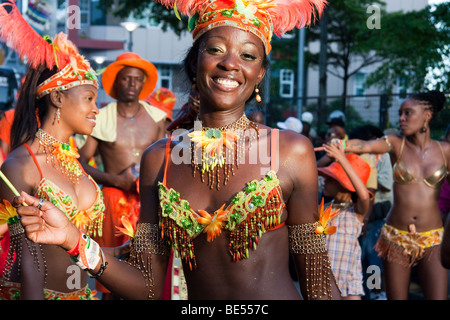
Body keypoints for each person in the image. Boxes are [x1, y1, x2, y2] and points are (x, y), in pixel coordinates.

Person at [15, 0, 341, 300]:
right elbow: (146, 285)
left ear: (259, 74)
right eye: (216, 50)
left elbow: (317, 279)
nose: (230, 64)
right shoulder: (160, 159)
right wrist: (74, 240)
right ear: (194, 64)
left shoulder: (291, 151)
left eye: (248, 55)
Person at [0, 1, 103, 300]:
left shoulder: (74, 161)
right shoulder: (21, 165)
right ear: (58, 98)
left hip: (82, 294)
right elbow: (26, 258)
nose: (96, 109)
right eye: (88, 98)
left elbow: (82, 244)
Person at [325, 90, 449, 300]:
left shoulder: (445, 151)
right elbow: (366, 145)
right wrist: (342, 145)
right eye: (400, 113)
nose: (401, 118)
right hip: (395, 236)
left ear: (427, 115)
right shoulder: (395, 144)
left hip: (433, 238)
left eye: (408, 113)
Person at [77, 52, 167, 299]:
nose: (131, 84)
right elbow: (81, 162)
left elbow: (166, 160)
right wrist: (116, 180)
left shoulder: (157, 118)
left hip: (148, 202)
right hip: (113, 200)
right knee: (110, 275)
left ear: (143, 84)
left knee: (149, 268)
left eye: (137, 79)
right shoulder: (101, 117)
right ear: (117, 83)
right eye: (126, 79)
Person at [318, 142, 372, 300]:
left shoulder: (356, 211)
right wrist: (327, 159)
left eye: (330, 178)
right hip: (324, 281)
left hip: (350, 282)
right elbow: (307, 176)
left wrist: (342, 160)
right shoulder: (322, 208)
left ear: (344, 184)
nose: (324, 181)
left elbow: (363, 196)